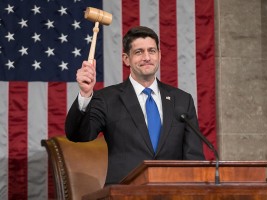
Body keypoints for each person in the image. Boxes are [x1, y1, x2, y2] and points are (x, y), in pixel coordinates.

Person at [65, 26, 205, 185]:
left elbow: (194, 159)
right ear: (126, 59)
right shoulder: (107, 99)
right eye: (139, 52)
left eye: (152, 51)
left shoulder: (182, 100)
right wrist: (85, 94)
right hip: (124, 192)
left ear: (159, 55)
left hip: (172, 192)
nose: (147, 57)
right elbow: (78, 135)